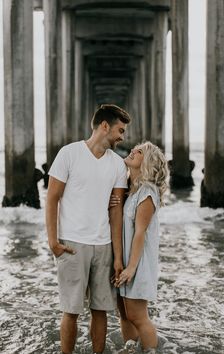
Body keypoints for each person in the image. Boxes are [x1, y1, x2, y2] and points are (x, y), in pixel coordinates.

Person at [45, 104, 131, 354]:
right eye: (120, 130)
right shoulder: (68, 154)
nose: (122, 137)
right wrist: (53, 242)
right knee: (71, 311)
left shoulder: (117, 165)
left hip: (103, 245)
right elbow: (52, 198)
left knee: (101, 309)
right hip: (72, 243)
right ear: (105, 126)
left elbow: (115, 211)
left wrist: (117, 255)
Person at [111, 141, 169, 353]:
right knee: (124, 314)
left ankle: (151, 351)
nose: (133, 151)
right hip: (125, 261)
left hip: (138, 263)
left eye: (140, 151)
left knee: (138, 316)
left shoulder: (147, 192)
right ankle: (130, 349)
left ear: (148, 162)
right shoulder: (131, 190)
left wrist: (131, 268)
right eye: (135, 148)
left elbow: (140, 233)